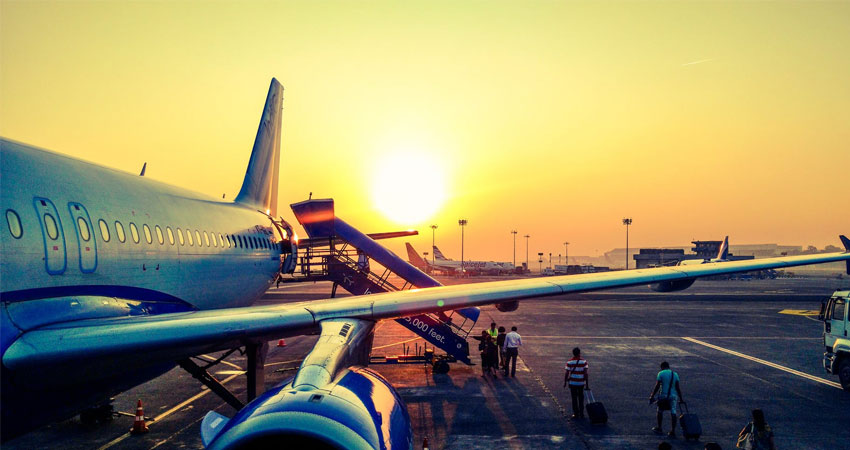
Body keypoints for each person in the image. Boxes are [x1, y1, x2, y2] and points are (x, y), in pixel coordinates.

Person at [649, 361, 684, 437]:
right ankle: (672, 431)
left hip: (663, 395)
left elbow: (657, 385)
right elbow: (678, 387)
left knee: (660, 411)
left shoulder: (661, 373)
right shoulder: (675, 374)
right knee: (673, 412)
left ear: (662, 367)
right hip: (673, 395)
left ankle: (660, 427)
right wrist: (681, 398)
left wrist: (652, 395)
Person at [564, 347, 589, 419]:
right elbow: (586, 374)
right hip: (581, 383)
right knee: (581, 398)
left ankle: (576, 413)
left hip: (573, 383)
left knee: (574, 398)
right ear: (579, 353)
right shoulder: (584, 361)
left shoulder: (569, 362)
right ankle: (582, 413)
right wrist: (587, 384)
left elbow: (567, 373)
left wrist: (565, 382)